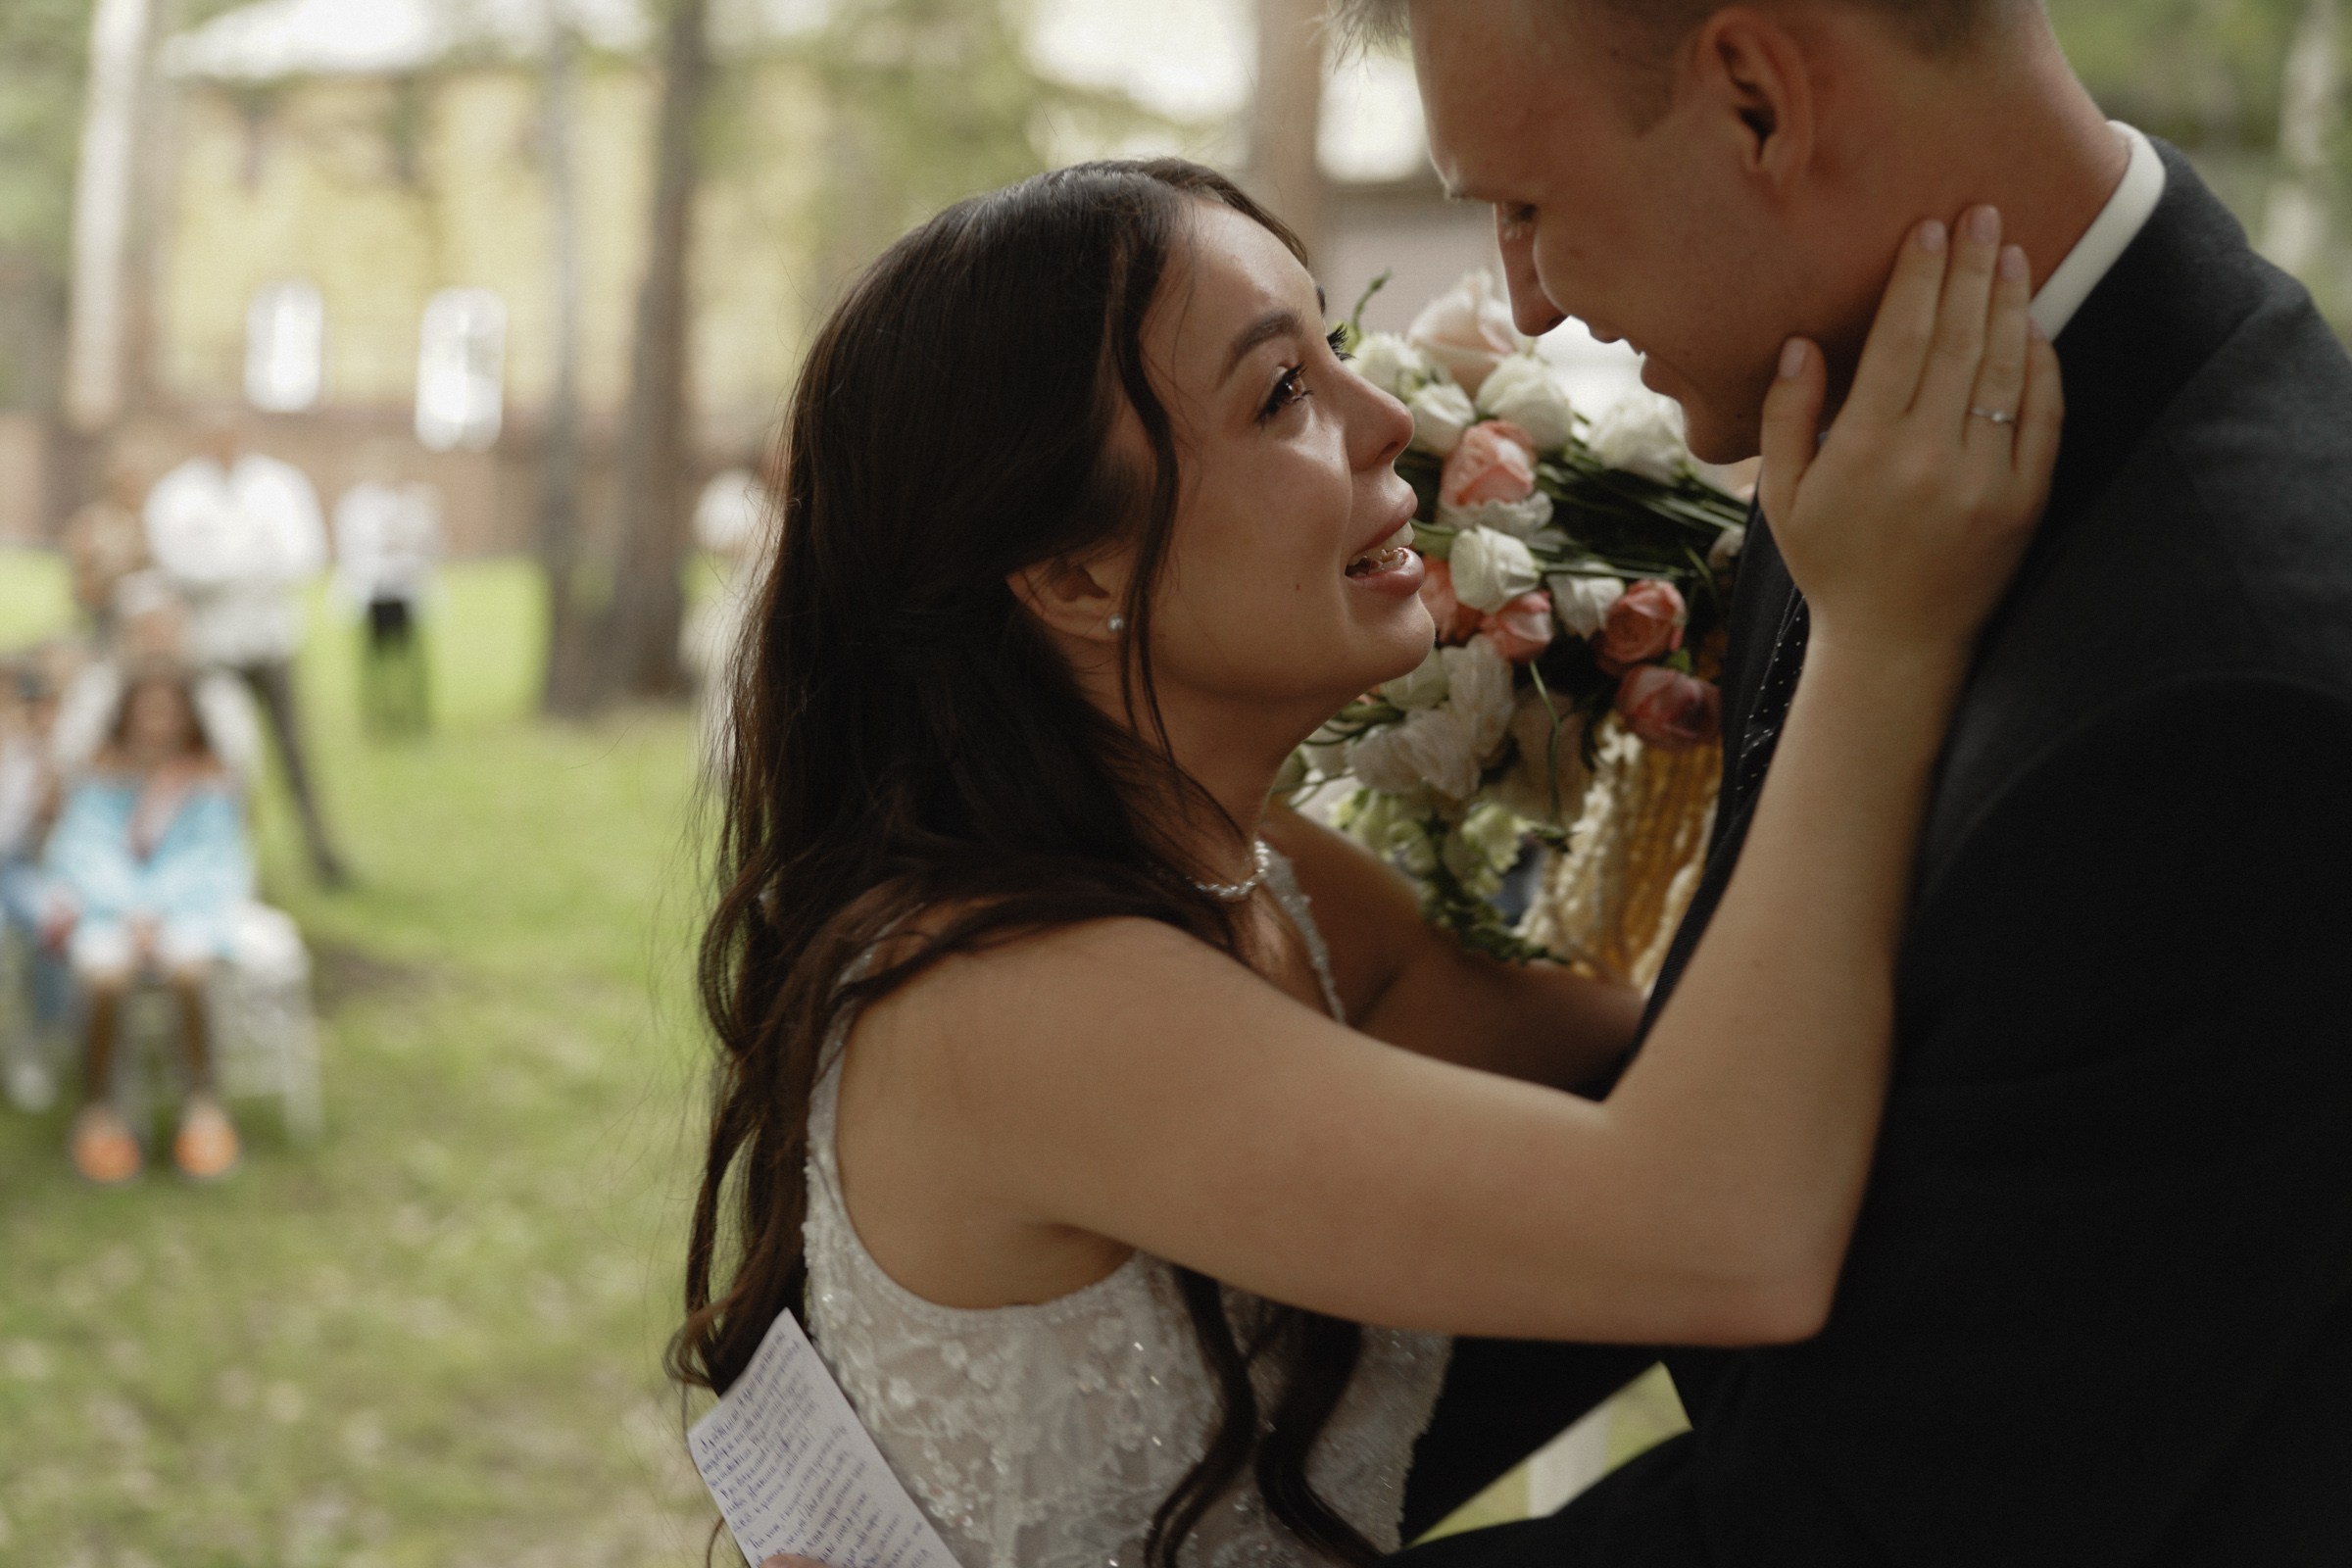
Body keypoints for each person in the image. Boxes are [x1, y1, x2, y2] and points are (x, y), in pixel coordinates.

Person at [678, 159, 2056, 1568]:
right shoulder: (1014, 1000)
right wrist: (1880, 636)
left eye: (1333, 349)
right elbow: (1728, 1234)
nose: (1386, 417)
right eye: (1282, 394)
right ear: (1074, 578)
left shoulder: (1260, 878)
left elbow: (1651, 1062)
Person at [1315, 1, 2352, 1561]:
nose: (1524, 301)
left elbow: (1875, 1513)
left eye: (1528, 205)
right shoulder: (1875, 429)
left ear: (1756, 101)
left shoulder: (2239, 703)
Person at [45, 660, 252, 1184]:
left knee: (189, 973)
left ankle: (202, 1105)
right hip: (109, 911)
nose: (156, 720)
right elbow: (79, 852)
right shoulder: (101, 771)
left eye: (168, 709)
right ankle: (100, 1109)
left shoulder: (205, 776)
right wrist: (130, 909)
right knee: (104, 976)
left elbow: (218, 860)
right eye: (146, 709)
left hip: (186, 913)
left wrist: (158, 911)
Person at [144, 418, 348, 885]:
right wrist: (252, 561)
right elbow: (179, 566)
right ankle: (226, 856)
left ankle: (321, 851)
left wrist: (227, 565)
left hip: (273, 640)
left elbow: (305, 555)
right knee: (224, 753)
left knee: (294, 751)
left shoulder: (279, 485)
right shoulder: (177, 493)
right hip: (212, 647)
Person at [331, 457, 442, 737]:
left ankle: (413, 718)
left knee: (411, 661)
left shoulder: (415, 503)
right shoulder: (357, 505)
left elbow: (432, 543)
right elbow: (353, 546)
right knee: (373, 662)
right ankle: (376, 719)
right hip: (372, 592)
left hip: (407, 590)